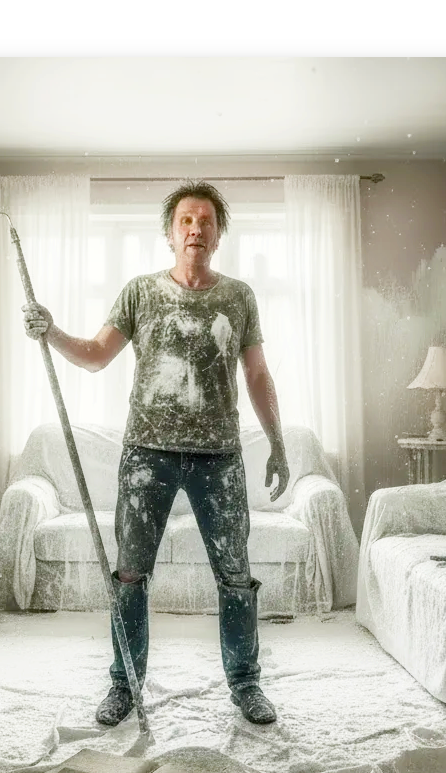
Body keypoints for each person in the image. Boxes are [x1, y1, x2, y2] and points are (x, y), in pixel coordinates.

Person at [21, 180, 289, 725]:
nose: (195, 229)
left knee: (236, 577)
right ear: (170, 234)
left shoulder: (239, 297)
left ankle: (245, 684)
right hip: (148, 455)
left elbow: (258, 374)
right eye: (186, 220)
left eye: (206, 221)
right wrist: (51, 332)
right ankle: (123, 685)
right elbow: (96, 355)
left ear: (218, 235)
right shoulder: (140, 293)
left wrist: (278, 443)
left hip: (219, 457)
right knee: (129, 576)